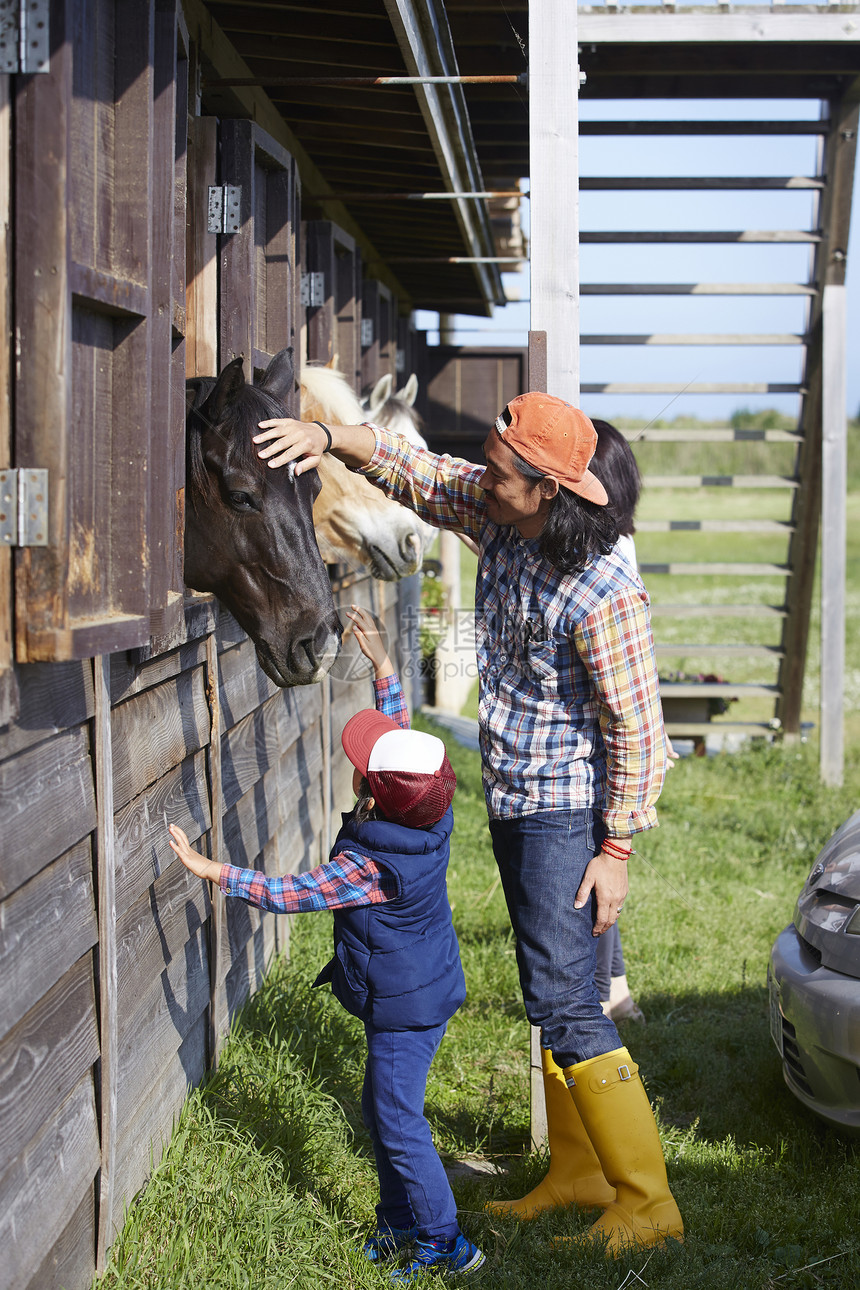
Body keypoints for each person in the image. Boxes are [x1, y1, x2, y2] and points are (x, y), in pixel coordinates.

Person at [252, 393, 684, 1254]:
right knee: (548, 992)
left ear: (550, 491)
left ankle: (648, 1203)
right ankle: (578, 1174)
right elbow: (417, 473)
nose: (482, 481)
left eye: (500, 473)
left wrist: (616, 846)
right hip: (518, 799)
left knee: (568, 999)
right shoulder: (502, 518)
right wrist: (327, 434)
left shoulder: (602, 588)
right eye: (487, 463)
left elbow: (640, 726)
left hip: (567, 810)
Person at [168, 605, 485, 1283]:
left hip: (402, 1006)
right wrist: (385, 669)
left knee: (398, 1122)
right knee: (382, 1107)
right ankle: (400, 1219)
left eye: (363, 765)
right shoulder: (428, 808)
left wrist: (215, 872)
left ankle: (445, 1242)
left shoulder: (371, 867)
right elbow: (402, 744)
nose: (362, 760)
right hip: (419, 987)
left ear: (368, 792)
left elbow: (297, 892)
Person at [588, 418, 678, 1026]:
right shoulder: (617, 539)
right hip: (611, 738)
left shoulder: (600, 554)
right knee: (599, 868)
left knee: (591, 876)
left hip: (604, 742)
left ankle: (597, 997)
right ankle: (617, 990)